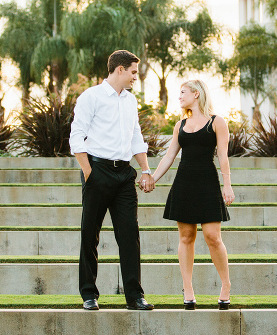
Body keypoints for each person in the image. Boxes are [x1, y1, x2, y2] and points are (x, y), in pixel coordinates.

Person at [69, 50, 155, 311]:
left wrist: (146, 169)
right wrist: (89, 173)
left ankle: (135, 296)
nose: (134, 78)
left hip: (124, 176)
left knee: (130, 235)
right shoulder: (91, 97)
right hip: (98, 172)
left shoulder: (130, 101)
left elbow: (135, 138)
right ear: (119, 69)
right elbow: (77, 136)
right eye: (132, 72)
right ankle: (89, 295)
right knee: (90, 235)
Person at [148, 79, 234, 310]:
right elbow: (169, 156)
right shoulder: (180, 125)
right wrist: (152, 178)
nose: (179, 97)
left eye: (183, 92)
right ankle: (188, 289)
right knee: (186, 237)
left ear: (196, 94)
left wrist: (227, 185)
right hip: (184, 182)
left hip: (207, 182)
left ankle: (225, 285)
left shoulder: (217, 122)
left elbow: (223, 157)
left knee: (212, 237)